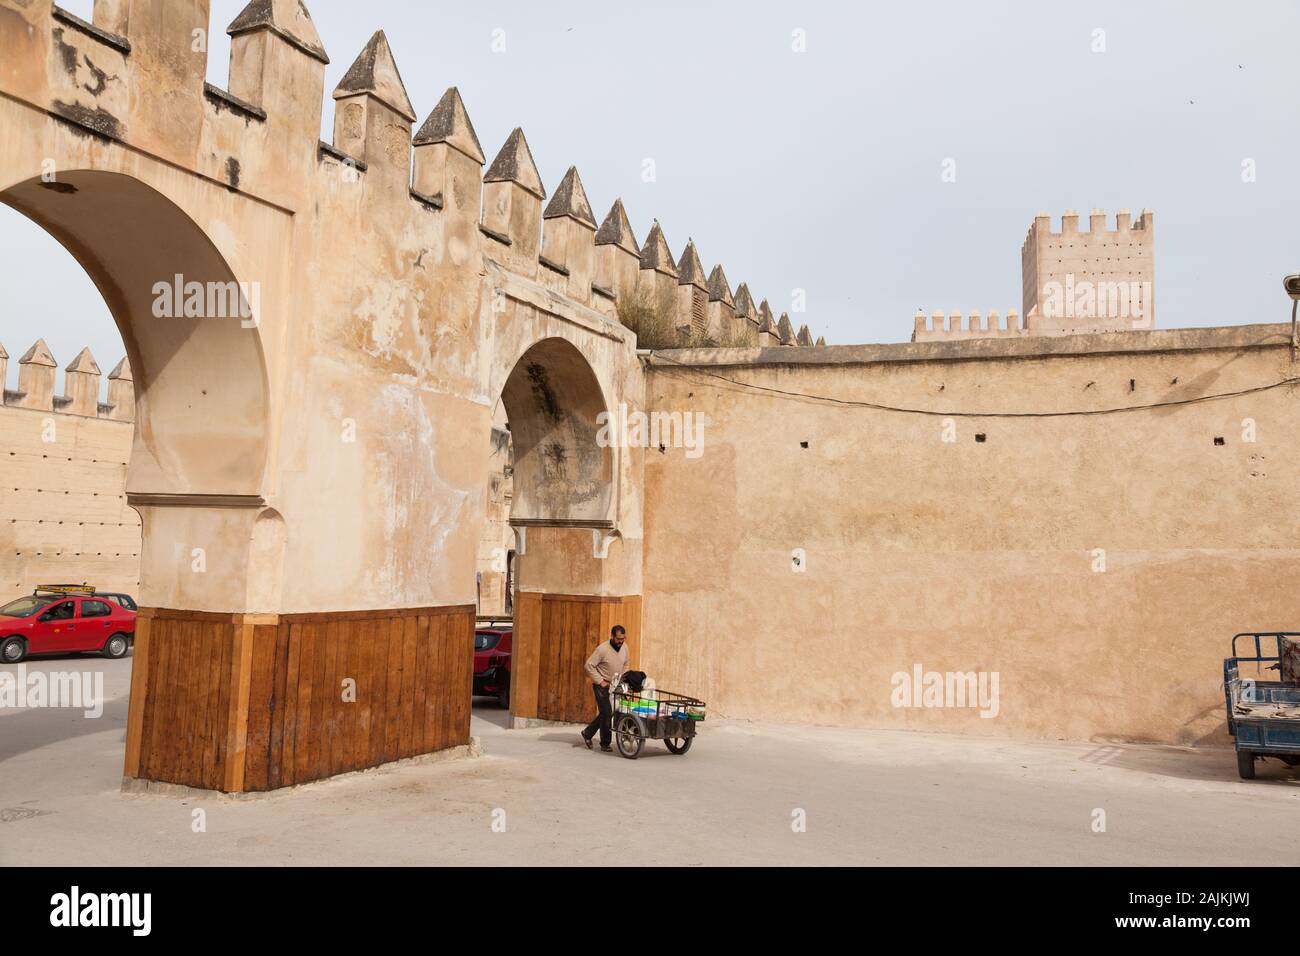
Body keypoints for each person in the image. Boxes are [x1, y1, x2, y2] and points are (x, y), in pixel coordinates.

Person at [581, 625, 630, 751]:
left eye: (623, 638)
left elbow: (626, 663)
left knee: (610, 711)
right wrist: (600, 681)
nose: (621, 641)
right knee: (607, 712)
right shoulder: (602, 649)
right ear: (612, 637)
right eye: (619, 639)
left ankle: (587, 733)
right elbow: (588, 665)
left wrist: (623, 680)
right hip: (601, 686)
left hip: (616, 684)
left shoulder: (624, 647)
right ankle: (605, 744)